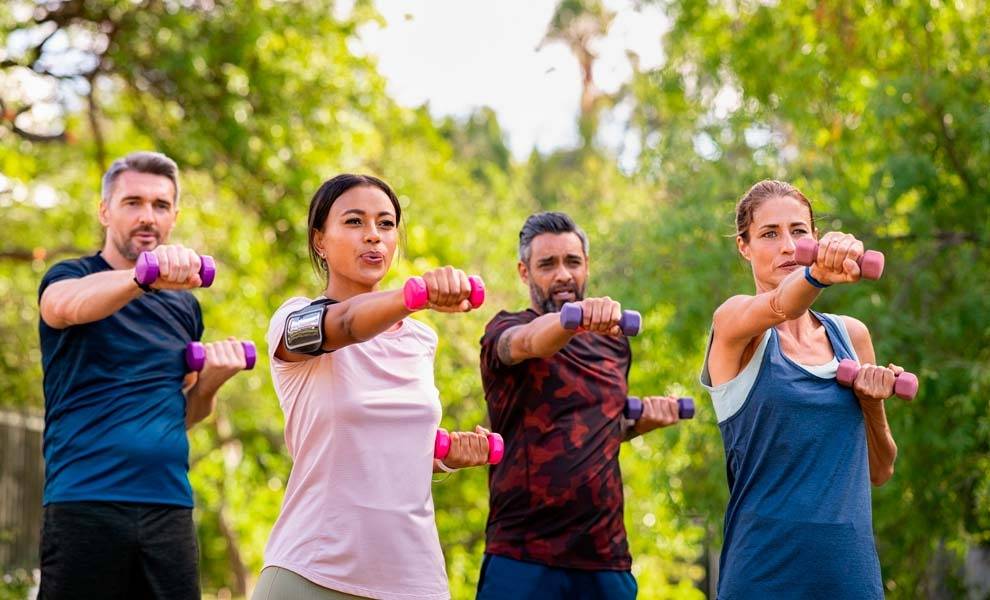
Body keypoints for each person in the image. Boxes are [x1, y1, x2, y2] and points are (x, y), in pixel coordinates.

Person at [254, 173, 493, 600]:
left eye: (385, 224)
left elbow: (386, 447)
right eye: (354, 222)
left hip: (413, 578)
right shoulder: (293, 322)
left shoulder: (420, 341)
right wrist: (415, 296)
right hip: (312, 572)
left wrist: (445, 456)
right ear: (319, 241)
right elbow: (345, 322)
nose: (373, 236)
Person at [37, 151, 250, 599]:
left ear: (174, 216)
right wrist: (141, 278)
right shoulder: (71, 276)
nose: (147, 216)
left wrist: (212, 378)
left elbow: (184, 412)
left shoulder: (184, 306)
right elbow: (64, 307)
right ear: (105, 211)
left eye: (160, 205)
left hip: (167, 506)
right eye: (132, 202)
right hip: (84, 501)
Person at [700, 179, 900, 599]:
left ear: (814, 236)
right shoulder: (734, 324)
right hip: (762, 574)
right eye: (769, 234)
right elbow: (779, 305)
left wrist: (871, 403)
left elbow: (880, 471)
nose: (788, 246)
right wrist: (816, 274)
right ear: (744, 246)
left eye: (799, 231)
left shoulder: (852, 336)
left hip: (851, 575)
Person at [476, 211, 684, 600]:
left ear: (586, 265)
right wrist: (574, 321)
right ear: (524, 272)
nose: (563, 275)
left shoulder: (614, 342)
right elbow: (530, 343)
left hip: (604, 557)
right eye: (547, 264)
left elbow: (598, 427)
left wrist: (641, 424)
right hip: (522, 554)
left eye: (572, 262)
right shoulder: (504, 331)